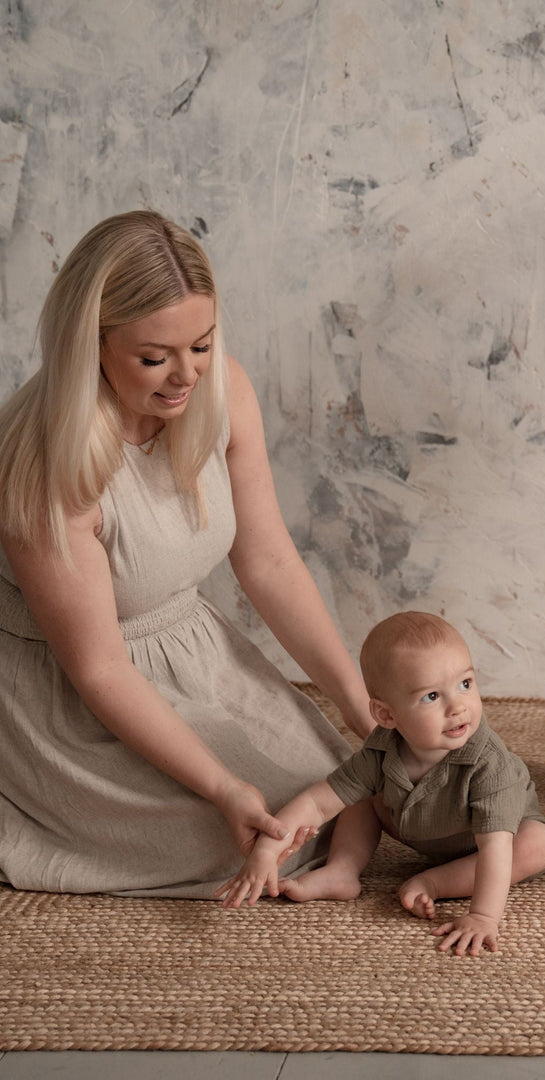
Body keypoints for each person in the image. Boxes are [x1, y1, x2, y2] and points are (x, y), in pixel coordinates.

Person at [0, 209, 374, 898]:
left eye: (200, 345)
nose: (185, 376)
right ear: (92, 345)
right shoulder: (47, 465)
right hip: (73, 693)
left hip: (190, 647)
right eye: (154, 357)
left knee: (341, 788)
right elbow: (100, 670)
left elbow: (268, 562)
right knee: (249, 830)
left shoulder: (219, 390)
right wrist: (222, 787)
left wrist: (355, 701)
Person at [216, 611, 545, 956]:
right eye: (432, 697)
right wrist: (266, 851)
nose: (458, 707)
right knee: (356, 795)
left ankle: (435, 881)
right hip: (418, 821)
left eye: (465, 684)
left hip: (490, 839)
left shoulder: (488, 764)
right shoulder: (381, 751)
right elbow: (318, 803)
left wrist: (483, 916)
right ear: (386, 715)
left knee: (537, 845)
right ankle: (342, 871)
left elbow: (495, 850)